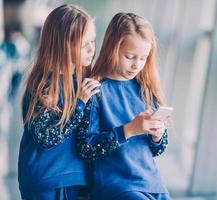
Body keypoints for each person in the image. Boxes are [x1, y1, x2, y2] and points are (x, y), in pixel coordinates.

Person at [77, 12, 171, 200]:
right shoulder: (96, 90)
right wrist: (128, 130)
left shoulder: (146, 89)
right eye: (130, 56)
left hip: (151, 182)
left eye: (143, 58)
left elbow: (157, 149)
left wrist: (157, 137)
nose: (136, 64)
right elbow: (86, 147)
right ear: (113, 49)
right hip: (116, 185)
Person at [18, 4, 100, 200]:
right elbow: (47, 138)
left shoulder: (84, 83)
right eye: (84, 44)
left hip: (79, 180)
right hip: (45, 181)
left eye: (93, 41)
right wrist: (79, 103)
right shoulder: (43, 85)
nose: (92, 49)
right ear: (63, 44)